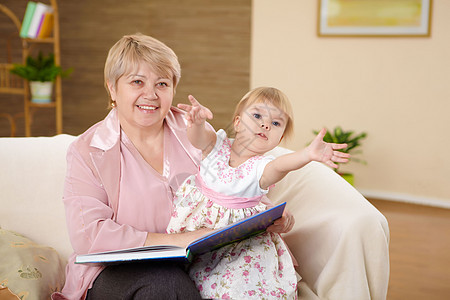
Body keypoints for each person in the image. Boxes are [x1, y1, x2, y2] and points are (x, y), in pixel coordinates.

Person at [53, 32, 389, 300]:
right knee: (166, 285)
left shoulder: (195, 130)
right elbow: (89, 237)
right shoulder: (88, 151)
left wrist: (262, 218)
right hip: (119, 274)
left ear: (173, 89)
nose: (151, 95)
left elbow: (241, 174)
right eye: (137, 82)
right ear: (112, 88)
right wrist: (183, 239)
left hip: (201, 267)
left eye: (162, 83)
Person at [166, 87, 350, 299]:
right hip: (197, 229)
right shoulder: (216, 144)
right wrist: (197, 123)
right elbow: (198, 138)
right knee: (181, 271)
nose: (265, 125)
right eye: (257, 115)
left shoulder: (262, 167)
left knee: (237, 286)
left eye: (276, 123)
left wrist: (307, 154)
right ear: (237, 122)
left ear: (279, 140)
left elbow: (281, 165)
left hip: (237, 242)